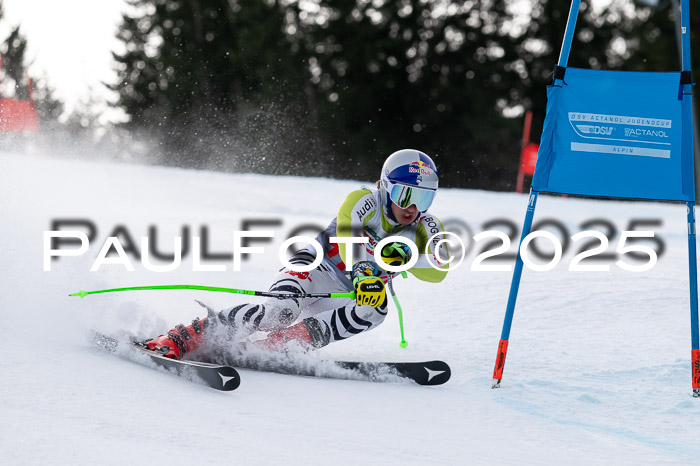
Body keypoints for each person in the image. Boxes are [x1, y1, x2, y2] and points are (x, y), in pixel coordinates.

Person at [144, 149, 450, 359]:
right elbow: (348, 235)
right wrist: (365, 270)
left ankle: (277, 348)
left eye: (424, 198)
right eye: (405, 194)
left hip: (347, 294)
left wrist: (409, 256)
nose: (413, 207)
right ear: (385, 188)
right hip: (315, 268)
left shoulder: (427, 226)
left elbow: (438, 271)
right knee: (278, 313)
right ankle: (181, 337)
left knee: (375, 310)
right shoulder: (364, 200)